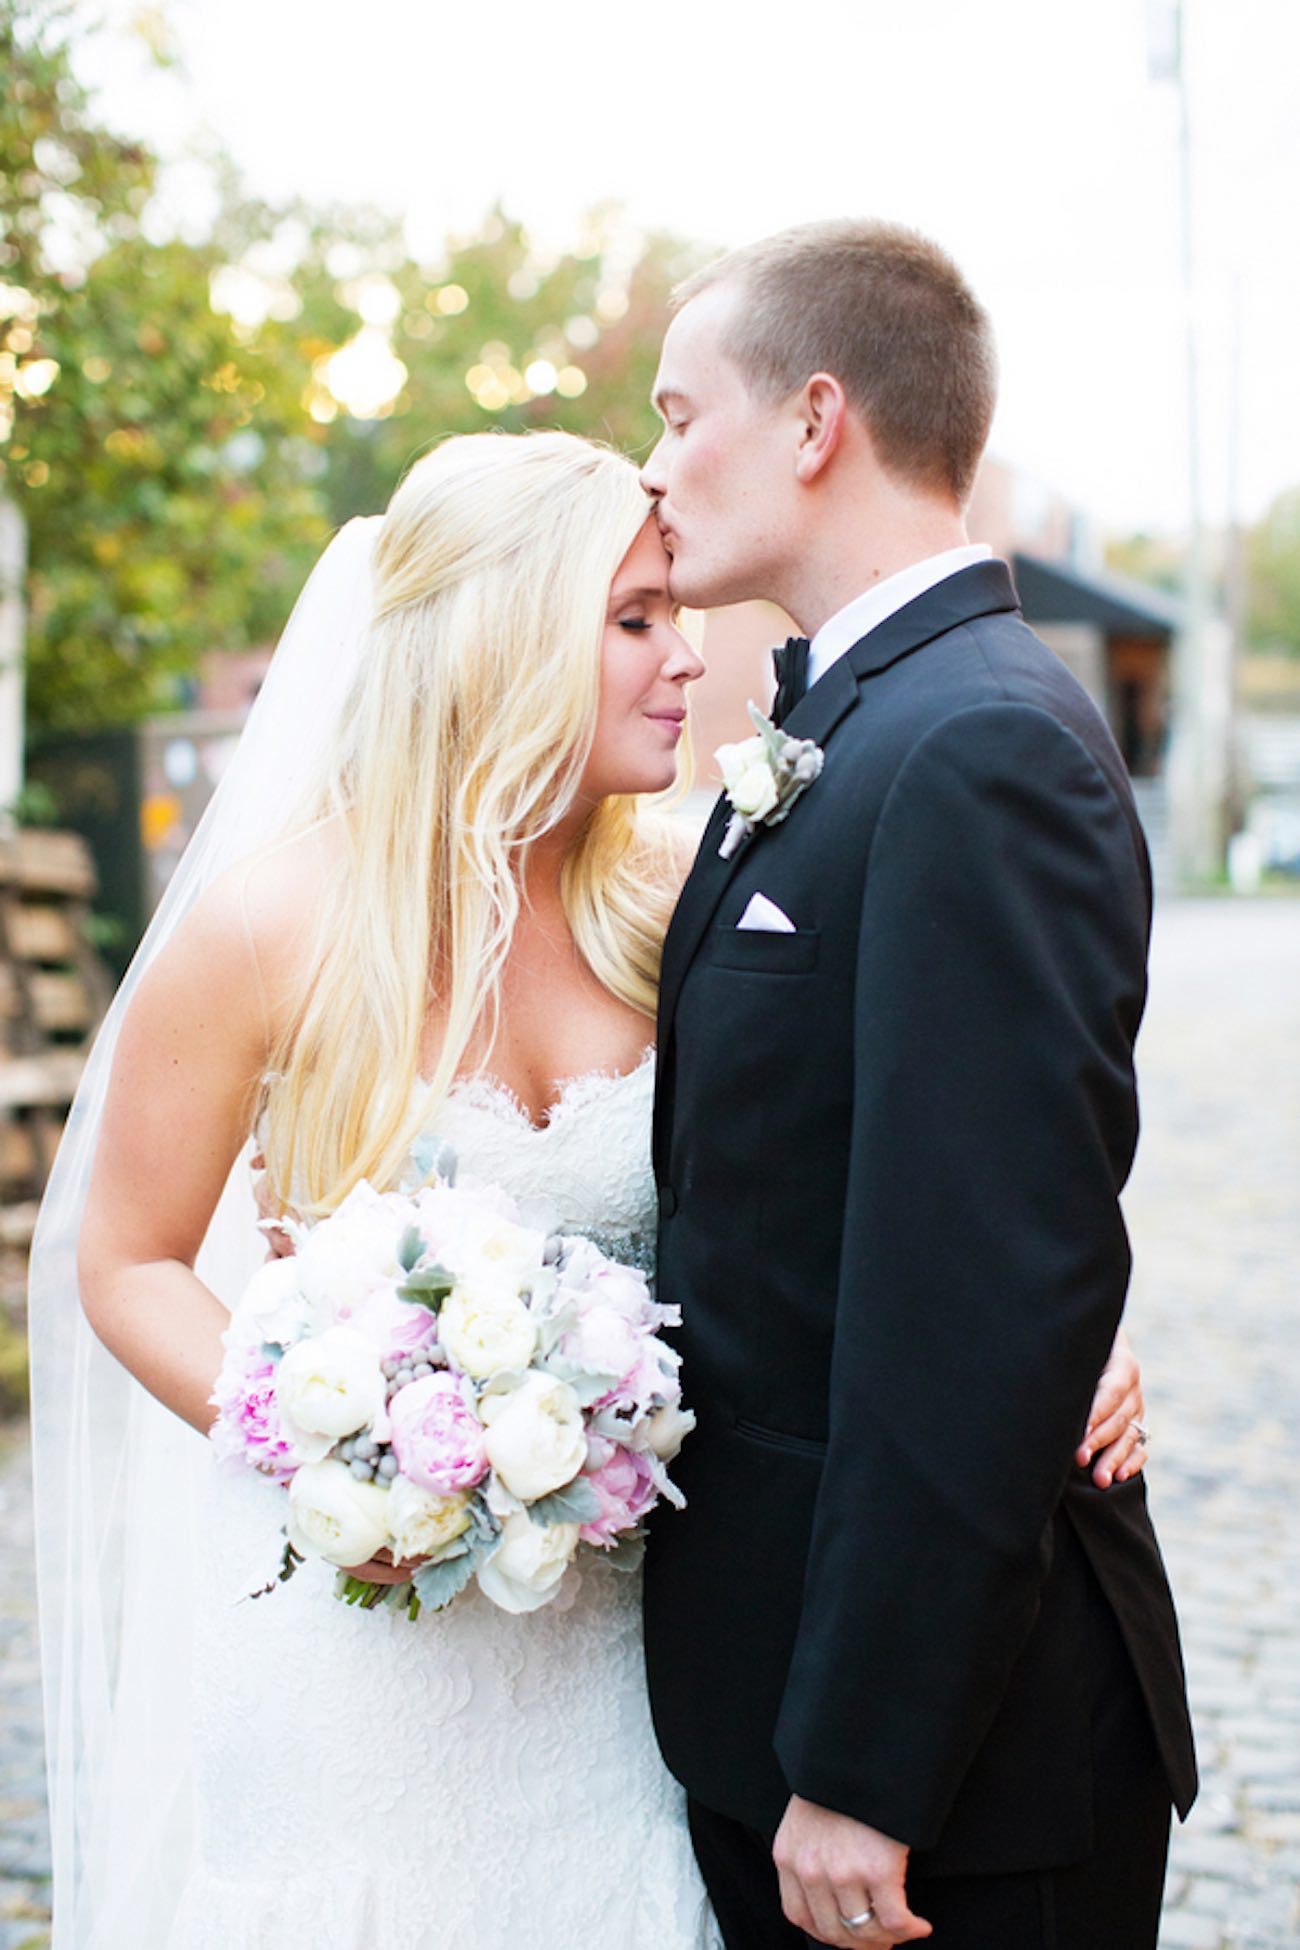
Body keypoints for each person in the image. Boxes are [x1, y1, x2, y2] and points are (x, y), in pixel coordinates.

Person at [31, 424, 1150, 1950]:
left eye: (675, 615)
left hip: (629, 1672)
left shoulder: (679, 899)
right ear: (499, 636)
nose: (686, 660)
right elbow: (131, 1260)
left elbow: (888, 1171)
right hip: (366, 1650)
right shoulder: (269, 927)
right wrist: (339, 1441)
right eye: (635, 621)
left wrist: (1049, 1340)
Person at [639, 218, 1197, 1950]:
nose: (653, 469)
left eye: (677, 414)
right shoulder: (859, 724)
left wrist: (866, 1764)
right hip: (779, 1690)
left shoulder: (981, 743)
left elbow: (975, 1285)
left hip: (951, 1787)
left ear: (815, 422)